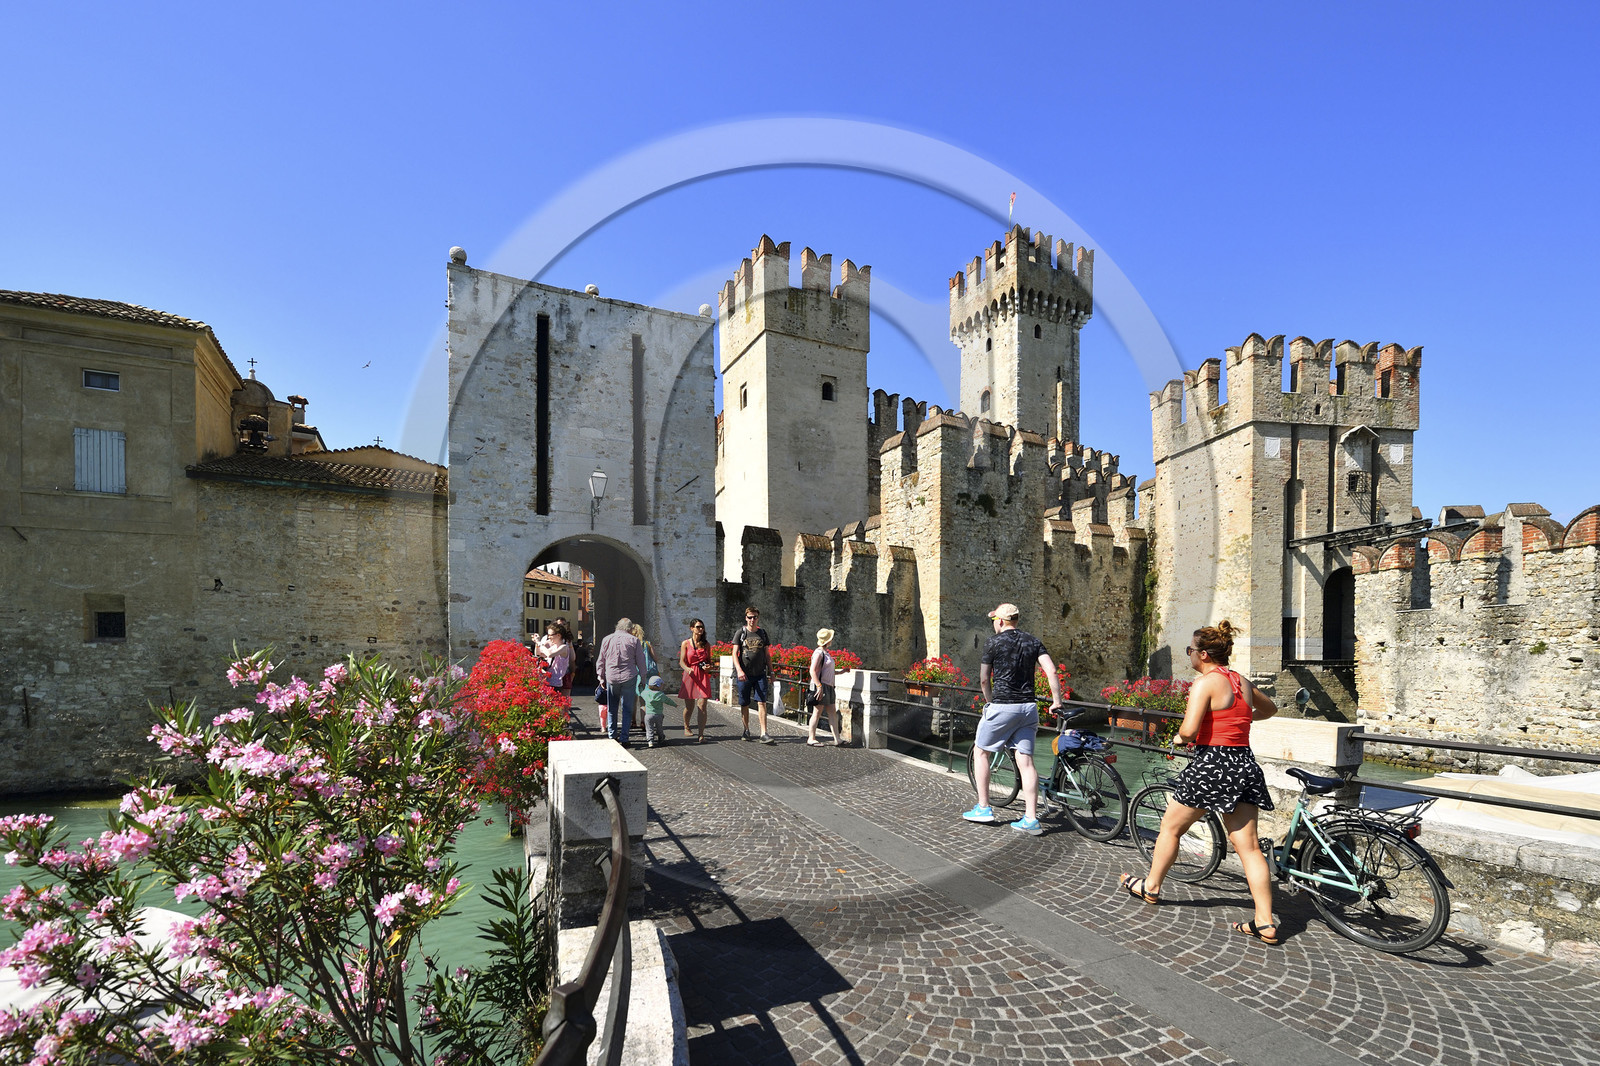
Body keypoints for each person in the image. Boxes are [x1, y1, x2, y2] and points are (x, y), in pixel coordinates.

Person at [1118, 620, 1281, 944]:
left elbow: (1190, 730)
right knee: (1249, 848)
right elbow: (1271, 708)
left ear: (1203, 654)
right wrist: (1240, 717)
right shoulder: (1240, 682)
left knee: (1171, 828)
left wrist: (1179, 738)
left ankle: (1151, 887)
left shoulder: (1206, 683)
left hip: (1212, 764)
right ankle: (1265, 922)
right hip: (1244, 764)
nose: (1189, 655)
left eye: (1190, 650)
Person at [963, 603, 1063, 836]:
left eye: (994, 620)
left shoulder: (993, 642)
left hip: (1003, 706)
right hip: (1028, 708)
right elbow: (1052, 671)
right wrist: (1056, 701)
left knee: (981, 751)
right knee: (1026, 761)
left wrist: (990, 701)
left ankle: (984, 808)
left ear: (1000, 621)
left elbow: (984, 679)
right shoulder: (1033, 641)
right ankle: (1030, 819)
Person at [595, 617, 646, 747]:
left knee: (612, 707)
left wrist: (601, 677)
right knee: (627, 708)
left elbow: (600, 661)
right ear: (629, 629)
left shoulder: (607, 639)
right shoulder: (634, 640)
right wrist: (643, 679)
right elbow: (641, 661)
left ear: (617, 627)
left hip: (611, 677)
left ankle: (612, 735)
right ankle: (625, 737)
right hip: (629, 676)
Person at [731, 606, 775, 744]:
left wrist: (772, 672)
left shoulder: (762, 633)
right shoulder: (741, 633)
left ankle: (764, 733)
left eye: (755, 617)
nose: (752, 620)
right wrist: (739, 670)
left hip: (760, 673)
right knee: (745, 703)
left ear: (758, 618)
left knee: (762, 702)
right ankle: (746, 729)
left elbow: (767, 655)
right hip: (745, 674)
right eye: (750, 617)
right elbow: (734, 653)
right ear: (746, 618)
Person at [678, 619, 713, 743]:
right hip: (690, 675)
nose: (700, 629)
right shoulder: (685, 644)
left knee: (702, 705)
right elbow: (681, 661)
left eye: (702, 627)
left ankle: (701, 734)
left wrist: (708, 667)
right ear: (691, 628)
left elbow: (709, 660)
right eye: (698, 627)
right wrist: (687, 668)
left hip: (702, 675)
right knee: (689, 706)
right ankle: (686, 726)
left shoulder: (706, 644)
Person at [631, 623, 664, 746]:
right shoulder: (647, 643)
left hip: (636, 673)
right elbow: (656, 658)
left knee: (633, 699)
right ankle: (644, 723)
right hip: (648, 674)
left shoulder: (632, 644)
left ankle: (633, 721)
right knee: (644, 700)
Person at [807, 628, 840, 746]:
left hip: (828, 686)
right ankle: (811, 738)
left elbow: (827, 671)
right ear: (828, 640)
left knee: (832, 712)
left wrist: (841, 672)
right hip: (821, 686)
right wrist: (819, 686)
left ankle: (837, 739)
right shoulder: (819, 653)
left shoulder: (826, 653)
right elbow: (813, 670)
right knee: (817, 712)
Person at [538, 621, 574, 704]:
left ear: (558, 635)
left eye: (551, 635)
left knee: (554, 707)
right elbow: (539, 653)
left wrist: (541, 644)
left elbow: (549, 654)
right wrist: (537, 643)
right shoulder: (553, 646)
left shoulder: (564, 647)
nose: (549, 637)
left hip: (555, 683)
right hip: (547, 680)